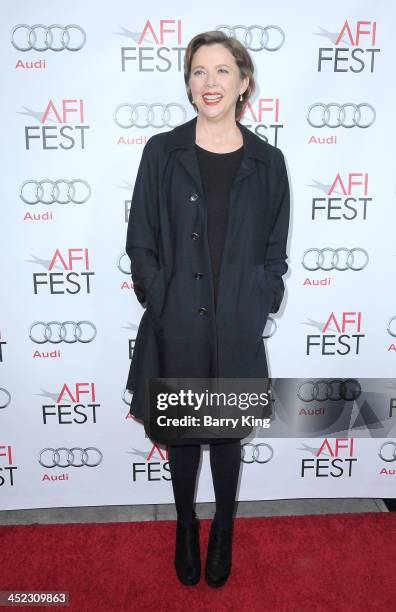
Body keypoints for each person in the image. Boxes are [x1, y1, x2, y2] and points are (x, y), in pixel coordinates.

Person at [125, 30, 290, 587]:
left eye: (223, 71)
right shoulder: (163, 151)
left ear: (244, 82)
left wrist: (262, 299)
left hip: (239, 322)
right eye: (199, 71)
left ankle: (222, 528)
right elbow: (141, 238)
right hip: (178, 320)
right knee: (183, 433)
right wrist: (160, 295)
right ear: (188, 83)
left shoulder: (268, 162)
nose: (210, 82)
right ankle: (183, 525)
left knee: (224, 433)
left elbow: (275, 251)